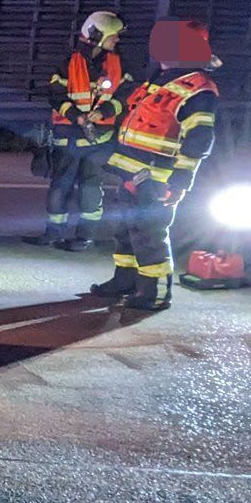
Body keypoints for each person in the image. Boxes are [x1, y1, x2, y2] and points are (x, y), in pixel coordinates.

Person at [90, 19, 221, 312]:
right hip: (131, 171)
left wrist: (179, 181)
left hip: (157, 178)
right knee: (125, 230)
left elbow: (199, 141)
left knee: (149, 235)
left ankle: (156, 293)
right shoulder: (162, 80)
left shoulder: (199, 89)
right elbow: (129, 108)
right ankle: (125, 281)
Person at [29, 11, 130, 250]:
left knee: (87, 188)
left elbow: (127, 95)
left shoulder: (118, 63)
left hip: (96, 138)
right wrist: (78, 117)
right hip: (71, 137)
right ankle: (60, 234)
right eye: (113, 35)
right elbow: (55, 96)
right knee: (67, 186)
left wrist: (102, 112)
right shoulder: (69, 64)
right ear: (98, 35)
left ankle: (81, 237)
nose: (116, 40)